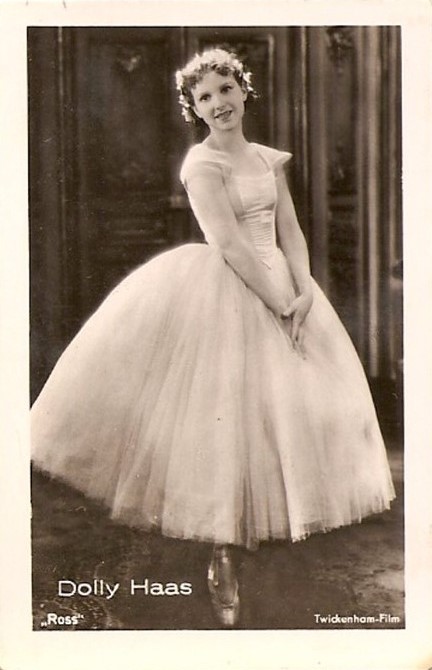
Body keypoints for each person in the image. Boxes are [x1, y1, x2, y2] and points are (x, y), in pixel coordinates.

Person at [31, 47, 396, 628]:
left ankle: (269, 543)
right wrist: (276, 303)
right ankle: (221, 552)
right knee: (224, 420)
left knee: (280, 417)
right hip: (230, 287)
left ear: (243, 91)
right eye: (205, 97)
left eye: (226, 89)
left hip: (283, 283)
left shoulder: (267, 160)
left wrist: (303, 294)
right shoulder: (201, 165)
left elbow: (291, 232)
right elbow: (228, 244)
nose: (218, 103)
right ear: (195, 110)